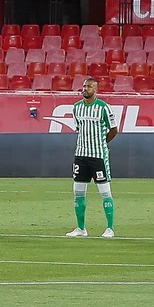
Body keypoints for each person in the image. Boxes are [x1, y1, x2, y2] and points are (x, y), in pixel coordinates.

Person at [67, 78, 118, 238]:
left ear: (96, 89)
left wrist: (102, 143)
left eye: (89, 86)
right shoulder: (76, 108)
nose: (85, 88)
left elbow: (114, 129)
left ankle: (110, 228)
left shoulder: (103, 107)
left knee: (104, 192)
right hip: (81, 155)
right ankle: (81, 228)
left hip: (98, 156)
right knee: (78, 193)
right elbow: (78, 129)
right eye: (84, 85)